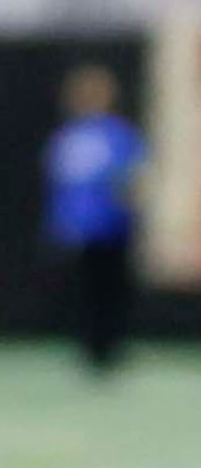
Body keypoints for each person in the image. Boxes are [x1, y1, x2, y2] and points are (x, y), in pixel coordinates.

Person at [43, 61, 149, 375]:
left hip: (113, 227)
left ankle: (112, 349)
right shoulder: (68, 136)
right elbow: (59, 185)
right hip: (82, 229)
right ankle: (90, 349)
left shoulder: (118, 135)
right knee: (86, 292)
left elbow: (133, 180)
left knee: (113, 290)